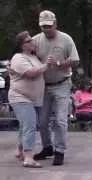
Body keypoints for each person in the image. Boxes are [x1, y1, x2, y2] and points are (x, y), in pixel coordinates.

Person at [32, 10, 80, 166]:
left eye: (49, 26)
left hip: (62, 84)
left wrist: (59, 64)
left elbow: (75, 61)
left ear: (55, 24)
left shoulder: (66, 39)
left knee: (60, 119)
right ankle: (47, 147)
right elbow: (26, 57)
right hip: (43, 85)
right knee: (43, 121)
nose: (46, 29)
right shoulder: (35, 40)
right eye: (43, 26)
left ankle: (60, 151)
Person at [9, 31, 47, 168]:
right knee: (30, 125)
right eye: (28, 41)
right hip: (20, 97)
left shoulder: (33, 57)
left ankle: (20, 151)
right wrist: (46, 65)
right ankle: (28, 157)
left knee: (25, 126)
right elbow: (31, 73)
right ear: (21, 45)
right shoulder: (18, 58)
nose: (32, 42)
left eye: (32, 40)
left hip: (34, 98)